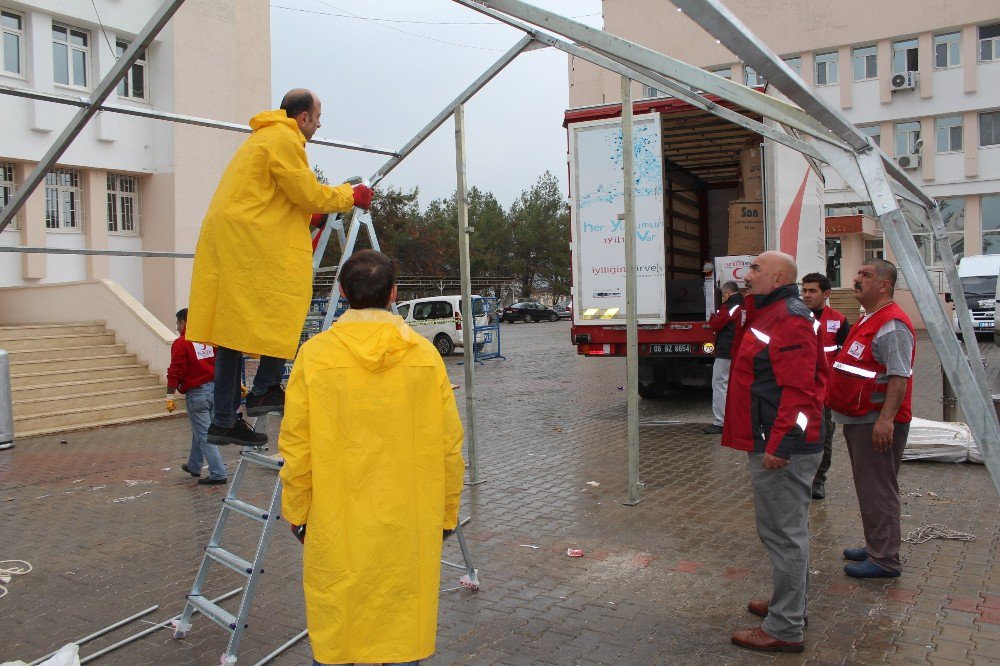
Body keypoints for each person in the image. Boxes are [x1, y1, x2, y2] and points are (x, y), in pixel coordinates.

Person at [278, 249, 465, 666]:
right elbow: (449, 446)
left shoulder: (316, 355)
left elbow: (296, 445)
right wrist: (447, 514)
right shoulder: (423, 356)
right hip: (407, 521)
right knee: (400, 634)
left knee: (341, 631)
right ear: (394, 293)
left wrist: (297, 509)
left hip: (336, 520)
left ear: (343, 292)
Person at [187, 88, 374, 448]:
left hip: (235, 239)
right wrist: (352, 196)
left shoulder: (263, 139)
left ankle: (224, 419)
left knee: (231, 333)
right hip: (252, 243)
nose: (319, 125)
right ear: (303, 117)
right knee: (286, 304)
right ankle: (264, 389)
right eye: (318, 118)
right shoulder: (285, 140)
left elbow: (277, 198)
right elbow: (306, 193)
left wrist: (311, 214)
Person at [723, 251, 828, 654]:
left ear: (778, 275)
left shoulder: (789, 317)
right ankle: (790, 606)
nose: (746, 275)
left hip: (783, 445)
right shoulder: (769, 312)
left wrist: (781, 445)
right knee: (785, 532)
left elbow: (800, 390)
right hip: (773, 438)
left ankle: (784, 627)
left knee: (784, 535)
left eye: (754, 269)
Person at [826, 259, 914, 579]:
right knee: (869, 487)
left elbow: (899, 376)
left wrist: (885, 420)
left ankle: (885, 559)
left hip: (875, 423)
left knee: (878, 488)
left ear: (884, 286)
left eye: (865, 275)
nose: (856, 278)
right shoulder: (870, 319)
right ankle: (877, 544)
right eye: (857, 272)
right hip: (861, 420)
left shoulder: (891, 324)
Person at [799, 272, 849, 500]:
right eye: (804, 290)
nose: (806, 295)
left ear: (826, 294)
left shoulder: (838, 321)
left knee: (824, 436)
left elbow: (846, 359)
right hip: (797, 389)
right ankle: (797, 476)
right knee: (795, 432)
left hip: (825, 392)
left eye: (812, 291)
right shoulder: (795, 317)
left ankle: (818, 480)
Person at [166, 309, 227, 485]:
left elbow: (176, 370)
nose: (177, 328)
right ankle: (194, 465)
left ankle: (218, 473)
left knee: (205, 435)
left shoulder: (181, 343)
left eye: (178, 323)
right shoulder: (208, 341)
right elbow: (220, 364)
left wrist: (169, 395)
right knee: (200, 430)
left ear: (184, 322)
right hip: (214, 391)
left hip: (197, 394)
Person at [704, 280, 744, 434]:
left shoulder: (729, 307)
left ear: (727, 293)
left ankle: (720, 422)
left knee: (720, 386)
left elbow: (716, 324)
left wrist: (713, 316)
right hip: (741, 352)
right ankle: (738, 420)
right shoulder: (746, 305)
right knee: (738, 387)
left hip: (727, 352)